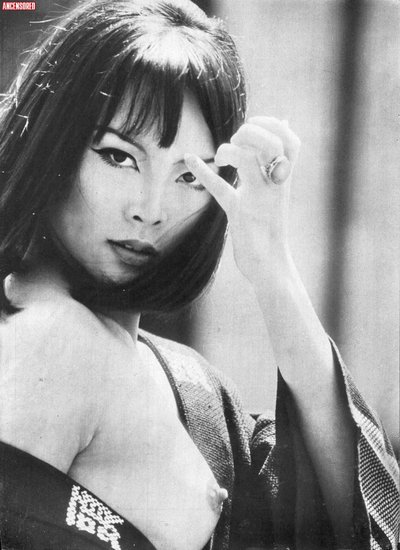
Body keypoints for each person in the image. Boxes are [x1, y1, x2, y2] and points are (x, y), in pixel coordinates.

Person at [0, 1, 398, 549]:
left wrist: (271, 264)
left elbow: (351, 522)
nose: (151, 210)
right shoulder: (53, 340)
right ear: (52, 142)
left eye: (190, 176)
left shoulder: (189, 381)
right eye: (118, 157)